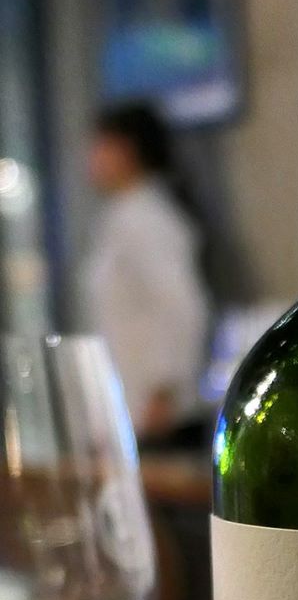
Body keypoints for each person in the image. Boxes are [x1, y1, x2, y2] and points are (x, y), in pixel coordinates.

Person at [82, 102, 211, 439]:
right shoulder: (122, 215)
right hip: (129, 409)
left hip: (155, 415)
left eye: (101, 145)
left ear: (126, 150)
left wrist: (165, 389)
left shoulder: (148, 218)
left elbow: (182, 306)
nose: (91, 157)